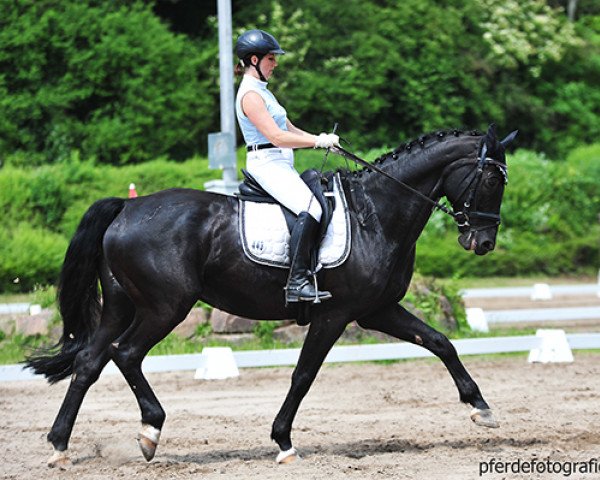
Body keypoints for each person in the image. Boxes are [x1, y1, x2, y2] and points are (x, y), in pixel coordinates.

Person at [234, 29, 339, 304]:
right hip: (266, 164)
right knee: (311, 208)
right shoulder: (250, 95)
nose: (275, 63)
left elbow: (288, 127)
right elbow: (277, 137)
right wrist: (316, 142)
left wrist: (323, 140)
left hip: (280, 163)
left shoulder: (263, 92)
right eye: (271, 58)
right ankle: (297, 281)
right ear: (254, 60)